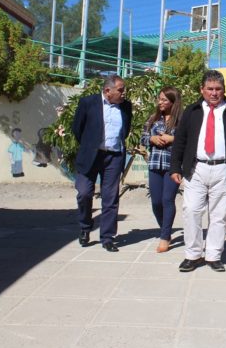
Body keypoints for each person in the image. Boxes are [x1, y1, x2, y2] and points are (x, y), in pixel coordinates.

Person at [170, 70, 226, 273]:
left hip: (223, 169)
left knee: (219, 215)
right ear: (202, 90)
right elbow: (180, 141)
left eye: (218, 89)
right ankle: (193, 254)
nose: (214, 93)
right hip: (196, 168)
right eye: (210, 89)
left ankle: (214, 255)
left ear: (224, 90)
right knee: (191, 211)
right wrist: (175, 167)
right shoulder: (192, 111)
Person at [72, 75, 132, 252]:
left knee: (110, 198)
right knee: (84, 193)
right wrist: (90, 145)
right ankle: (85, 227)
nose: (124, 93)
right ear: (108, 91)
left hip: (113, 157)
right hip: (90, 155)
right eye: (120, 90)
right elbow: (77, 128)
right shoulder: (88, 103)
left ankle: (107, 237)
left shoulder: (126, 106)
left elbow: (126, 130)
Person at [141, 86, 183, 253]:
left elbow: (189, 139)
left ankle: (165, 236)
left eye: (165, 100)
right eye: (160, 99)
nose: (161, 102)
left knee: (167, 200)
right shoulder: (153, 119)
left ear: (174, 102)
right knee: (156, 202)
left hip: (173, 166)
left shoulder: (182, 121)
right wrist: (152, 138)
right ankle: (165, 228)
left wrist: (172, 138)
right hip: (155, 164)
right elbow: (143, 137)